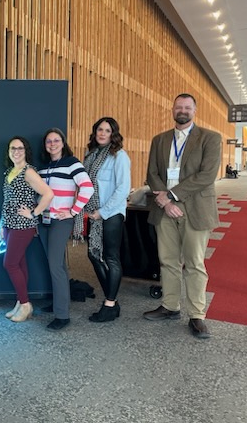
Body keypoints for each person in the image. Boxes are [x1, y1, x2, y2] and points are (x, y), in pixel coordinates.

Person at [143, 93, 221, 339]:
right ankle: (170, 306)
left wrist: (172, 196)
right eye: (179, 106)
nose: (183, 110)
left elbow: (206, 176)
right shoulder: (160, 139)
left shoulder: (210, 138)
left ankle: (197, 315)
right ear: (172, 109)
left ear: (194, 111)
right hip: (164, 208)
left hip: (195, 208)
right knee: (167, 260)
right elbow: (152, 173)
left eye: (187, 107)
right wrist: (165, 202)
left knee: (195, 263)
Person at [74, 117, 131, 323]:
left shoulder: (119, 156)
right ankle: (112, 300)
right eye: (100, 129)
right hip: (93, 213)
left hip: (111, 213)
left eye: (107, 130)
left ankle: (109, 304)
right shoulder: (90, 155)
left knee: (110, 257)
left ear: (113, 134)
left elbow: (122, 189)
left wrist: (103, 211)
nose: (103, 133)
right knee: (92, 254)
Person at [37, 128, 94, 331]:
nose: (52, 144)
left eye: (56, 140)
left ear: (63, 143)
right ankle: (59, 303)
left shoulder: (72, 163)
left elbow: (87, 187)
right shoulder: (44, 167)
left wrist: (73, 211)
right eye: (49, 141)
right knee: (57, 264)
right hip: (44, 220)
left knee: (55, 266)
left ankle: (62, 315)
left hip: (61, 221)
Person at [0, 136, 54, 323]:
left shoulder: (28, 171)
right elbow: (7, 200)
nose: (16, 151)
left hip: (23, 226)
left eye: (20, 148)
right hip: (9, 224)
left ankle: (25, 305)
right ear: (9, 151)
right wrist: (2, 224)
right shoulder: (9, 171)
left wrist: (34, 213)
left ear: (26, 151)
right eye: (13, 148)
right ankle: (21, 301)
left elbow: (48, 194)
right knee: (20, 264)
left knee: (10, 264)